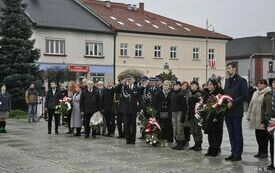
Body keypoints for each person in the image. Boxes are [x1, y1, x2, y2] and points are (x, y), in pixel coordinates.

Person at [224, 62, 248, 161]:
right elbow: (225, 94)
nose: (227, 70)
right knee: (231, 133)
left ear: (234, 69)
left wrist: (233, 103)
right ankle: (233, 152)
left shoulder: (241, 81)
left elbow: (244, 96)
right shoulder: (227, 81)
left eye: (229, 68)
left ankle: (238, 154)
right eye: (227, 68)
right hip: (227, 111)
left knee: (237, 133)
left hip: (236, 111)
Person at [247, 79, 271, 159]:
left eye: (261, 84)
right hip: (255, 118)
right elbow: (251, 104)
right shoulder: (255, 93)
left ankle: (264, 152)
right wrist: (249, 115)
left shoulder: (268, 93)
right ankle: (260, 151)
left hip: (262, 118)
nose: (259, 85)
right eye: (258, 83)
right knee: (258, 136)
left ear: (265, 85)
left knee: (264, 136)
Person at [204, 79, 224, 157]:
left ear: (215, 85)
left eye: (211, 84)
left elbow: (221, 106)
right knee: (210, 133)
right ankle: (211, 148)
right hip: (209, 116)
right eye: (208, 84)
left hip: (216, 116)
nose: (209, 86)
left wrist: (217, 116)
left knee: (216, 133)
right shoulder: (208, 93)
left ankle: (216, 149)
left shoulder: (218, 94)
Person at [121, 75, 141, 144]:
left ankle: (133, 139)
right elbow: (122, 99)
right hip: (126, 109)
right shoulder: (124, 88)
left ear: (133, 80)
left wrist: (139, 109)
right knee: (126, 125)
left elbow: (139, 99)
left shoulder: (137, 88)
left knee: (133, 125)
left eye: (130, 79)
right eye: (128, 80)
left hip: (133, 109)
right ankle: (127, 139)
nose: (129, 81)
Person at [261, 78, 275, 170]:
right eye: (274, 82)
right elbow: (263, 108)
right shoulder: (267, 95)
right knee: (271, 143)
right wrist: (262, 121)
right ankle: (272, 163)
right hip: (269, 121)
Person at [170, 81, 187, 150]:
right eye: (174, 85)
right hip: (173, 112)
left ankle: (181, 143)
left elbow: (184, 106)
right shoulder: (173, 93)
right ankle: (177, 142)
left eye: (177, 85)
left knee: (180, 128)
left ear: (180, 86)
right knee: (175, 127)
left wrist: (183, 115)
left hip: (180, 112)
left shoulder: (182, 94)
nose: (175, 86)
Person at [188, 80, 203, 151]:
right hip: (191, 114)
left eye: (194, 85)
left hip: (197, 115)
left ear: (197, 86)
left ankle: (199, 145)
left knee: (198, 130)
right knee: (193, 130)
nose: (192, 86)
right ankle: (195, 144)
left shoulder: (199, 94)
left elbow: (201, 105)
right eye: (191, 85)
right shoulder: (190, 94)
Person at [156, 80, 171, 147]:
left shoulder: (171, 93)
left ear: (169, 86)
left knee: (167, 126)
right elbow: (156, 102)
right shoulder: (159, 92)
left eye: (167, 84)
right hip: (161, 111)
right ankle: (161, 140)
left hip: (168, 111)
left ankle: (166, 140)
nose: (165, 86)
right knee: (161, 126)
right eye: (164, 84)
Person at [182, 81, 191, 148]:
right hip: (181, 112)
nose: (184, 86)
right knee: (182, 127)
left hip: (187, 112)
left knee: (187, 128)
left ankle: (187, 141)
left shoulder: (188, 93)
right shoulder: (181, 92)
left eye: (185, 85)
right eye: (183, 85)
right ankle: (182, 140)